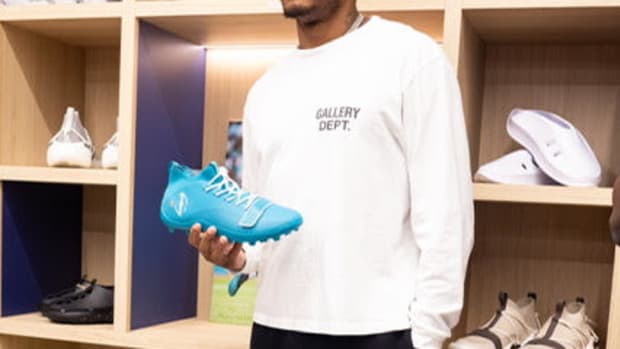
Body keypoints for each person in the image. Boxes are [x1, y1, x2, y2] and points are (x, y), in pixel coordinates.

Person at [187, 0, 474, 348]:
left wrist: (426, 337)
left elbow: (447, 220)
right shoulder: (265, 91)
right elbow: (260, 222)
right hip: (275, 327)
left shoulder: (412, 58)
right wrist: (240, 258)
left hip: (382, 330)